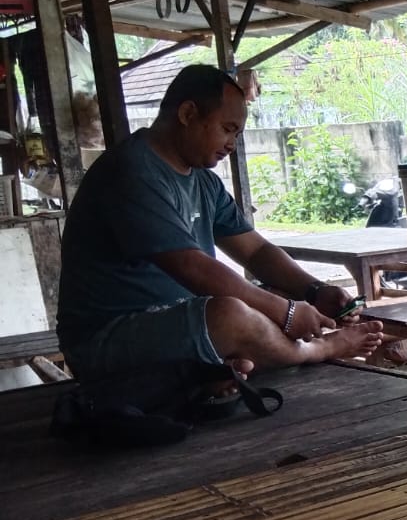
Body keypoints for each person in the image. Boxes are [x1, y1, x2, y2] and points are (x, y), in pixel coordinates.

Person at [56, 65, 383, 380]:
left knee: (269, 295)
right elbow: (192, 267)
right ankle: (317, 349)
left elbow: (255, 251)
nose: (232, 144)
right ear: (187, 114)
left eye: (237, 134)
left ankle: (213, 370)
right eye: (227, 129)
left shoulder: (202, 180)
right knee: (232, 315)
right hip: (105, 341)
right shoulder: (131, 172)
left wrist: (314, 290)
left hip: (175, 325)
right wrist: (285, 312)